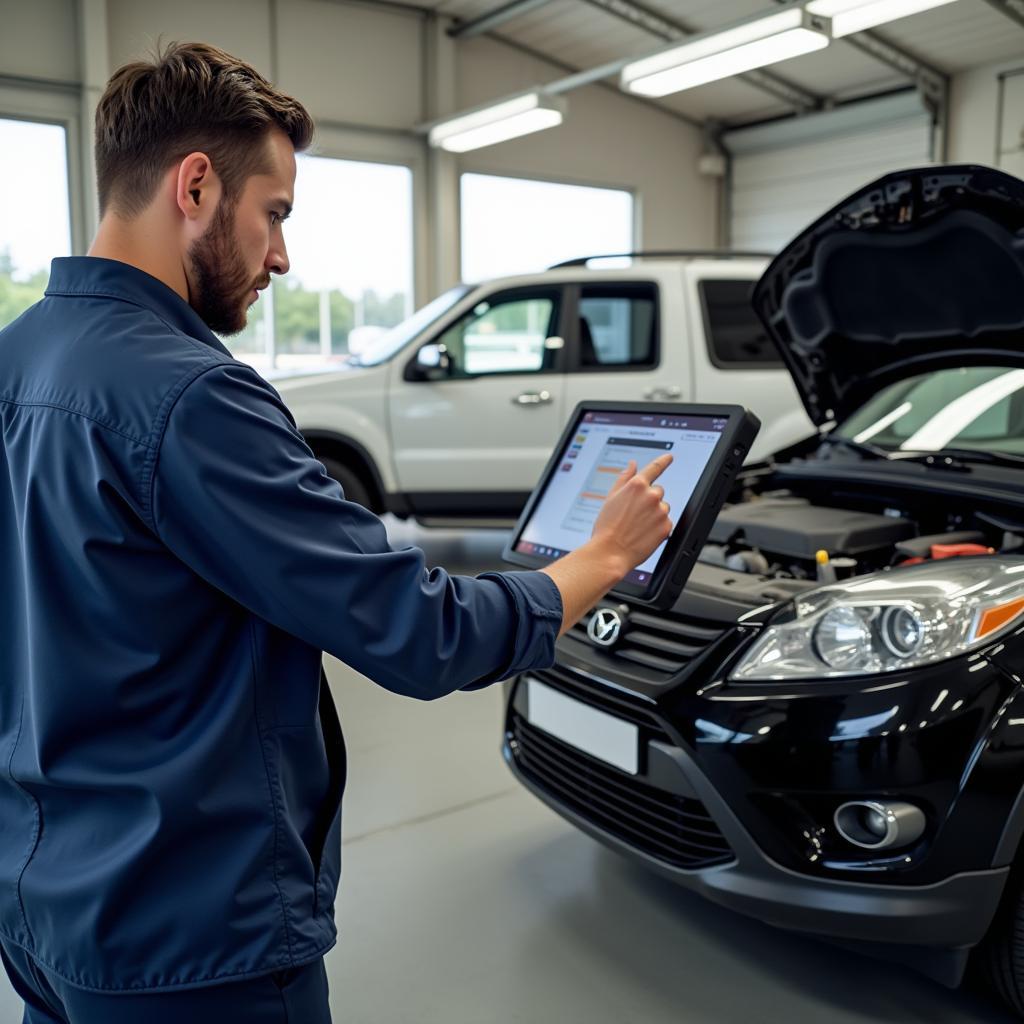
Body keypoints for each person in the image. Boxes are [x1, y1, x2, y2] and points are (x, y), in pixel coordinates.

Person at [0, 41, 673, 1024]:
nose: (281, 254)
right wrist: (599, 559)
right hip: (189, 940)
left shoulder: (18, 356)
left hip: (41, 910)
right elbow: (420, 629)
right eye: (273, 213)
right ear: (194, 186)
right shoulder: (193, 396)